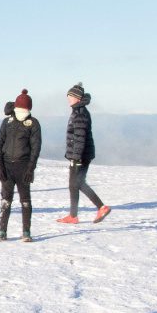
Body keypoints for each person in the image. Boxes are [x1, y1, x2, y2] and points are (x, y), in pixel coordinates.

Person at [57, 82, 111, 225]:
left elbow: (80, 138)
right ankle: (73, 216)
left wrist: (76, 158)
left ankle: (101, 207)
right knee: (73, 184)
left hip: (80, 156)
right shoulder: (77, 111)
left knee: (78, 183)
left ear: (77, 98)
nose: (68, 98)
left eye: (70, 96)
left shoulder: (80, 113)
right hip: (79, 155)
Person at [0, 90, 41, 242]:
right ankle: (2, 231)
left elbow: (36, 148)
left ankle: (26, 232)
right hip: (7, 167)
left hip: (23, 167)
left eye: (25, 110)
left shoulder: (33, 123)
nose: (22, 113)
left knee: (25, 200)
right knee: (5, 200)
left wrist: (30, 168)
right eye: (20, 110)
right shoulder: (7, 122)